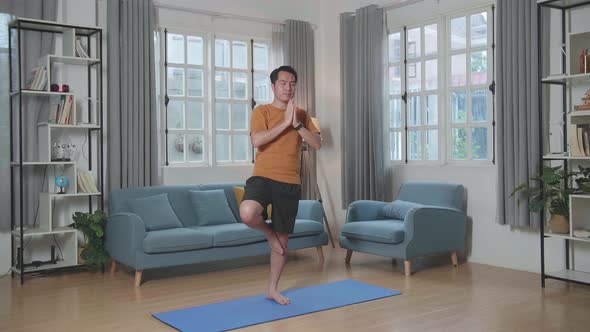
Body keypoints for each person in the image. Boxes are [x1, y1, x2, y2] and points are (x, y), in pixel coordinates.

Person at [239, 65, 321, 305]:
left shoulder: (303, 115)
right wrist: (285, 123)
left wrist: (296, 124)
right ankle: (268, 233)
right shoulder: (261, 111)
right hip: (262, 176)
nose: (288, 87)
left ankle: (272, 289)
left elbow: (316, 144)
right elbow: (257, 141)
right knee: (247, 212)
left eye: (292, 83)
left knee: (283, 242)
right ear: (274, 86)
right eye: (283, 83)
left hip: (290, 181)